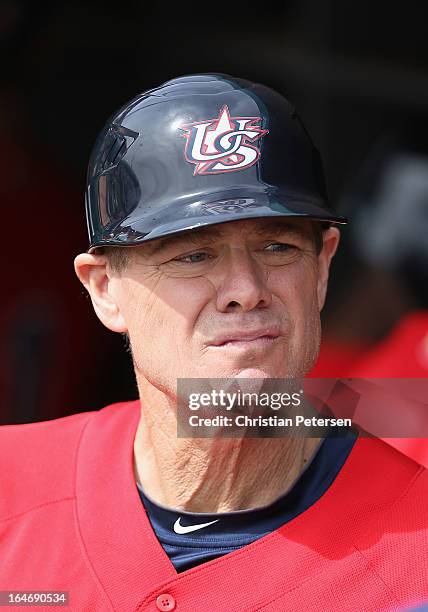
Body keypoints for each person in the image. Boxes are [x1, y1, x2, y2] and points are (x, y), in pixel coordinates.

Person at [0, 74, 427, 612]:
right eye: (193, 256)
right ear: (106, 291)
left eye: (276, 246)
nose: (246, 291)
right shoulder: (9, 485)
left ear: (321, 270)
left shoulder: (419, 555)